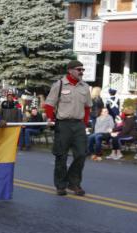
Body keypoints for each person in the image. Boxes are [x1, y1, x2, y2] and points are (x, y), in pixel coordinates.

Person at [44, 60, 92, 196]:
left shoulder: (84, 86)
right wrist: (49, 118)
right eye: (79, 69)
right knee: (61, 156)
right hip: (63, 124)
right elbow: (49, 104)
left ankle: (74, 183)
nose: (81, 72)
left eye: (83, 70)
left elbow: (87, 106)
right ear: (70, 70)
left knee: (81, 154)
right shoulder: (59, 85)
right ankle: (61, 185)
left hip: (78, 124)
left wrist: (85, 122)